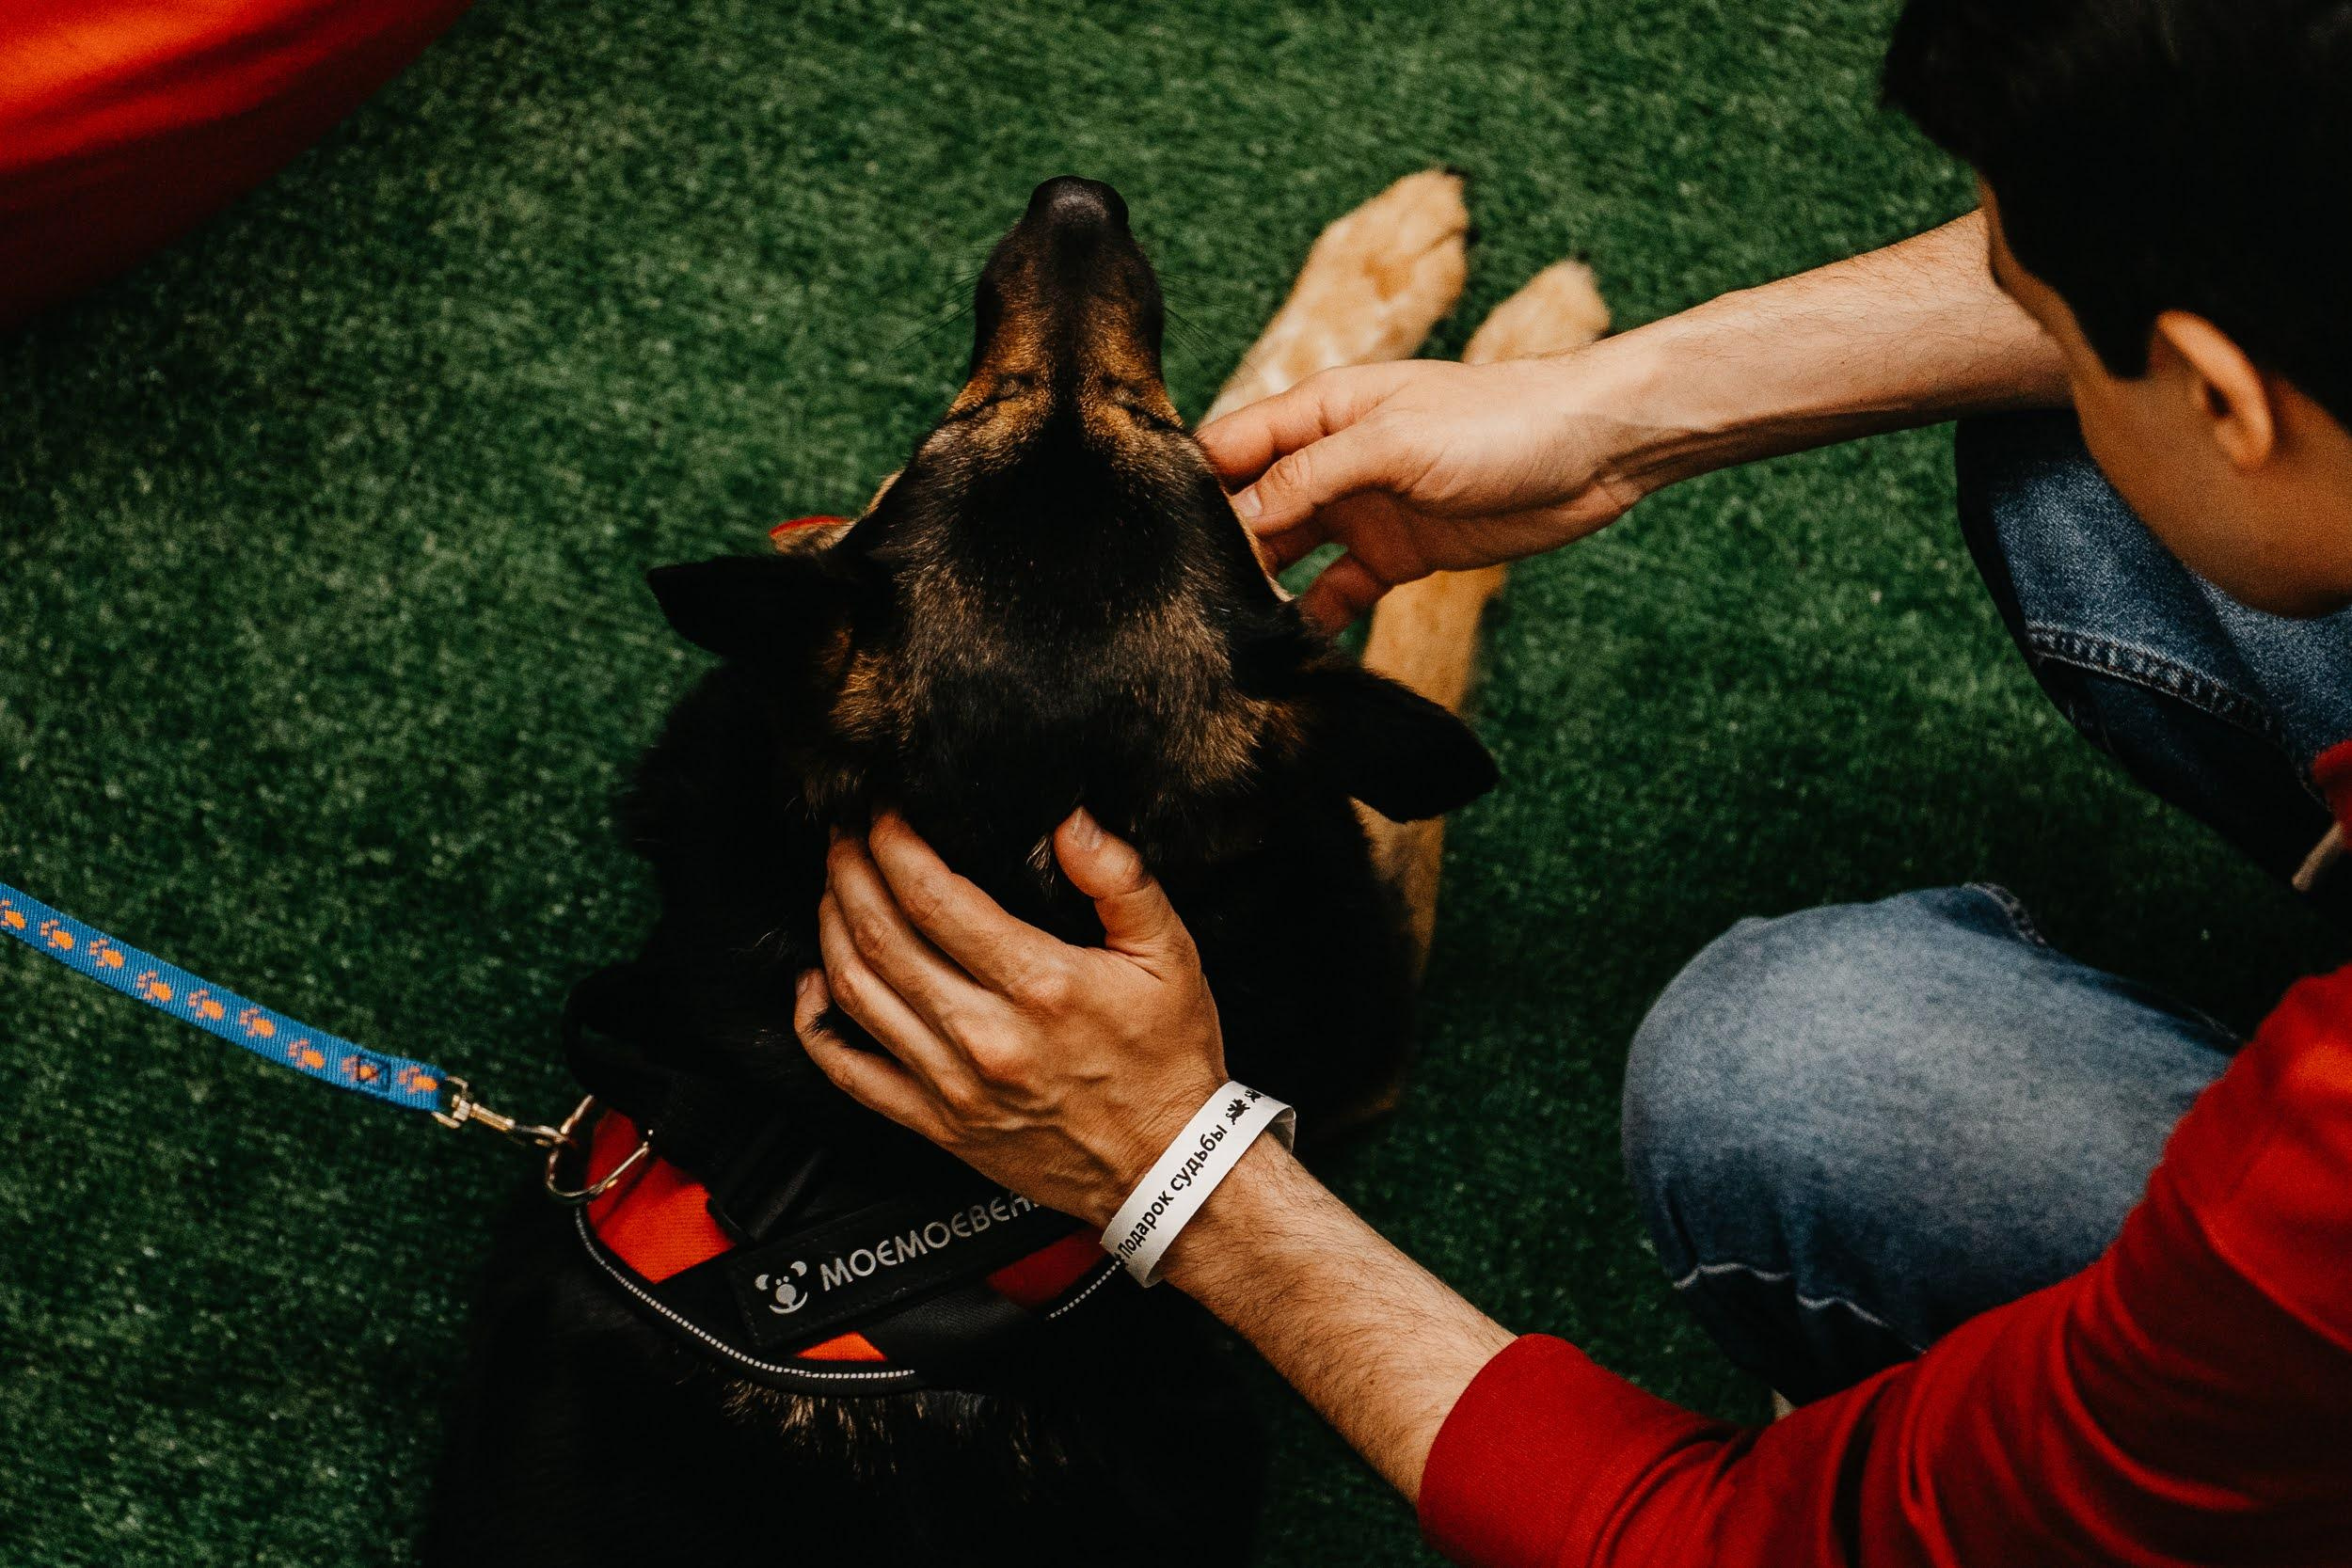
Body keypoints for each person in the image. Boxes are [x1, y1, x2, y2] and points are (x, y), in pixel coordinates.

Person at [791, 1, 2352, 1561]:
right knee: (2079, 478)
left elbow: (1759, 1547)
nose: (2038, 326)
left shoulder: (2315, 1187)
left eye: (2052, 316)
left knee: (1788, 1071)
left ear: (2228, 395)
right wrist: (1614, 412)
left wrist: (1176, 1172)